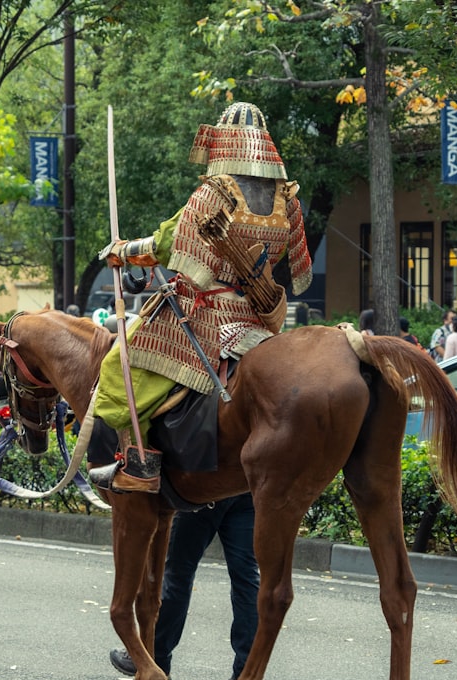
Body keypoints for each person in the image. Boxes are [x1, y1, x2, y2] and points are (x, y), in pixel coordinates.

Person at [90, 101, 312, 493]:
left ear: (226, 141)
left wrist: (121, 251)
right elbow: (296, 267)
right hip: (260, 317)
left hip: (205, 314)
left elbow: (166, 244)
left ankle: (140, 466)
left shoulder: (214, 193)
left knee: (118, 366)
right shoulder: (288, 200)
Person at [107, 494, 262, 680]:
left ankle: (156, 658)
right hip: (245, 489)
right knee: (247, 577)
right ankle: (248, 675)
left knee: (178, 572)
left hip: (205, 489)